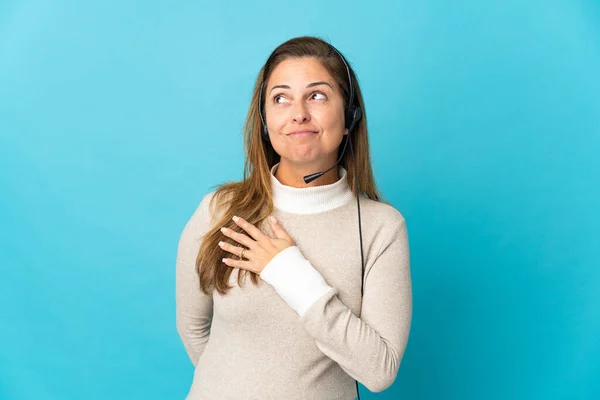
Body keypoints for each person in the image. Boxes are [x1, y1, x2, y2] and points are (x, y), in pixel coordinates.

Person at [176, 35, 412, 400]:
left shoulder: (382, 228)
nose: (298, 112)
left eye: (316, 95)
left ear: (350, 117)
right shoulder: (219, 210)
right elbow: (193, 328)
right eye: (281, 98)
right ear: (266, 122)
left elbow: (378, 371)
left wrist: (287, 270)